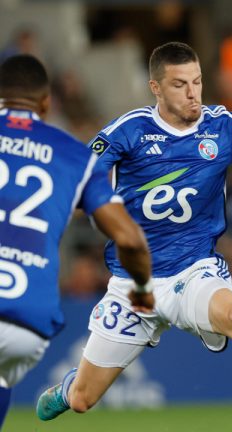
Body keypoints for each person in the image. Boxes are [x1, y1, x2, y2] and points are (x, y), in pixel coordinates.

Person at [36, 42, 232, 422]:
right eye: (179, 85)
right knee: (82, 399)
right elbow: (79, 170)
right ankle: (68, 388)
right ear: (156, 88)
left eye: (197, 82)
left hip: (193, 270)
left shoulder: (224, 126)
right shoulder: (131, 130)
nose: (193, 93)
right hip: (133, 284)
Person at [0, 54, 152, 428]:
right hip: (28, 317)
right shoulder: (74, 156)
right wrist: (143, 288)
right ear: (47, 103)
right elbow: (130, 240)